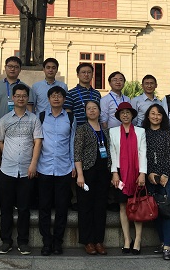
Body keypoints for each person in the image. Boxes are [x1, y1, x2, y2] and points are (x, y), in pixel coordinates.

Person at [0, 84, 43, 255]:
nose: (21, 98)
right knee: (6, 208)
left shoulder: (34, 119)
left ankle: (23, 242)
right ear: (13, 98)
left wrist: (33, 164)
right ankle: (6, 241)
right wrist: (8, 155)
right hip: (7, 170)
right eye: (18, 95)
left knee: (24, 208)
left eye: (24, 96)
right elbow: (0, 141)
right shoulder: (4, 120)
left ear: (27, 98)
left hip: (26, 170)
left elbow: (38, 142)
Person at [37, 86, 76, 256]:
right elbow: (37, 142)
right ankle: (46, 242)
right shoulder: (41, 116)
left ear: (64, 99)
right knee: (44, 207)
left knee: (62, 207)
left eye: (59, 96)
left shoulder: (70, 117)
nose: (56, 98)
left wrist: (73, 165)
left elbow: (72, 142)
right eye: (53, 96)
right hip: (44, 167)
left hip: (64, 168)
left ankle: (58, 242)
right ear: (49, 99)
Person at [109, 102, 147, 255]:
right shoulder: (113, 132)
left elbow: (142, 153)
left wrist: (142, 173)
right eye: (122, 113)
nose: (125, 115)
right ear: (119, 116)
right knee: (123, 206)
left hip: (137, 172)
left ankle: (137, 239)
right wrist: (114, 172)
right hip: (120, 172)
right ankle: (127, 239)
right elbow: (112, 153)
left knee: (137, 204)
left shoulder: (140, 131)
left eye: (128, 112)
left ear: (132, 115)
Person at [74, 100, 111, 256]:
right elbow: (77, 152)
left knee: (100, 207)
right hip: (87, 172)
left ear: (99, 111)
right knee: (85, 207)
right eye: (88, 108)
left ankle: (98, 241)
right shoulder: (82, 129)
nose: (92, 110)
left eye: (94, 108)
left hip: (103, 172)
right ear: (85, 112)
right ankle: (88, 241)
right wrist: (80, 174)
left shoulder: (105, 130)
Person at [144, 103, 170, 259]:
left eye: (159, 114)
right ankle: (162, 242)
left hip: (168, 178)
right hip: (150, 178)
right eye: (153, 113)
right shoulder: (143, 133)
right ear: (148, 115)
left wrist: (164, 174)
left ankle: (167, 246)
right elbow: (141, 155)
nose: (155, 116)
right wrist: (149, 173)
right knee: (155, 211)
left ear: (163, 116)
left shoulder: (168, 133)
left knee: (167, 211)